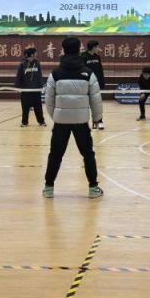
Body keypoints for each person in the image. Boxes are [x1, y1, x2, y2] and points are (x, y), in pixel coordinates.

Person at [42, 37, 103, 199]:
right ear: (79, 49)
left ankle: (48, 188)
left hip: (61, 122)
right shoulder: (88, 73)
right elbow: (96, 98)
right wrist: (97, 118)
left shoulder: (55, 73)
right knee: (88, 154)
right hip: (81, 122)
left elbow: (48, 100)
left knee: (55, 155)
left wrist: (56, 115)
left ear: (63, 50)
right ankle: (93, 188)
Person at [15, 48, 45, 127]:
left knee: (38, 107)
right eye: (35, 53)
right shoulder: (22, 64)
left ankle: (41, 121)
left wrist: (41, 85)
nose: (36, 54)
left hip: (36, 90)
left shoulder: (37, 63)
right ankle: (24, 122)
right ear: (32, 54)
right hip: (26, 90)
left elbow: (39, 75)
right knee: (25, 107)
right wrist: (17, 87)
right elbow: (19, 76)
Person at [84, 40, 106, 130]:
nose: (98, 49)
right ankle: (84, 123)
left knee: (97, 104)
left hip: (95, 84)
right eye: (97, 47)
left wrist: (102, 82)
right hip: (85, 84)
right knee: (85, 105)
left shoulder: (97, 57)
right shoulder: (83, 57)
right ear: (93, 47)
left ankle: (99, 121)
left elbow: (100, 71)